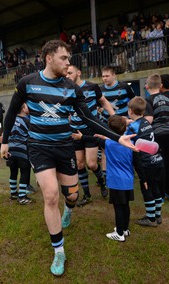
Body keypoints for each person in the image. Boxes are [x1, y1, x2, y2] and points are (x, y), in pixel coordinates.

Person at [0, 40, 135, 276]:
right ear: (49, 57)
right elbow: (11, 111)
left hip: (65, 147)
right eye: (64, 58)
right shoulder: (27, 83)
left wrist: (116, 136)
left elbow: (90, 119)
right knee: (51, 195)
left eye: (69, 59)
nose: (68, 63)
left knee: (71, 195)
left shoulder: (73, 88)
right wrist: (4, 141)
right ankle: (59, 251)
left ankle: (70, 208)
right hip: (39, 147)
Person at [72, 115, 136, 241]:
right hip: (128, 181)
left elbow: (93, 140)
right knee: (125, 206)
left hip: (116, 182)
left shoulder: (109, 144)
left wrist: (81, 137)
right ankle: (125, 229)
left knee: (118, 207)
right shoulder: (131, 143)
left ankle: (119, 233)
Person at [66, 65, 115, 206]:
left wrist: (115, 118)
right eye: (66, 73)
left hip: (90, 130)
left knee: (92, 164)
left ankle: (102, 182)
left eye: (70, 73)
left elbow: (104, 102)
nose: (67, 75)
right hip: (75, 131)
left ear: (78, 73)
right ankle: (87, 195)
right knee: (80, 164)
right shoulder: (66, 90)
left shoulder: (92, 87)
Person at [125, 97, 165, 227]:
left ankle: (150, 218)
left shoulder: (132, 127)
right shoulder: (146, 122)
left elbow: (125, 139)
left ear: (130, 111)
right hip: (157, 159)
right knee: (156, 188)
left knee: (146, 187)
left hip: (145, 162)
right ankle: (158, 216)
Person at [144, 74, 169, 202]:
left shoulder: (147, 100)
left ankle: (161, 194)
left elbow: (149, 119)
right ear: (160, 85)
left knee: (159, 163)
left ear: (147, 86)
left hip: (157, 134)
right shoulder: (168, 99)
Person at [7, 103, 33, 204]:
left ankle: (13, 193)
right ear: (23, 109)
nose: (28, 107)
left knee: (13, 171)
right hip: (22, 150)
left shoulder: (10, 119)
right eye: (26, 106)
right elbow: (31, 136)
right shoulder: (27, 120)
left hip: (11, 150)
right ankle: (22, 196)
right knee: (25, 171)